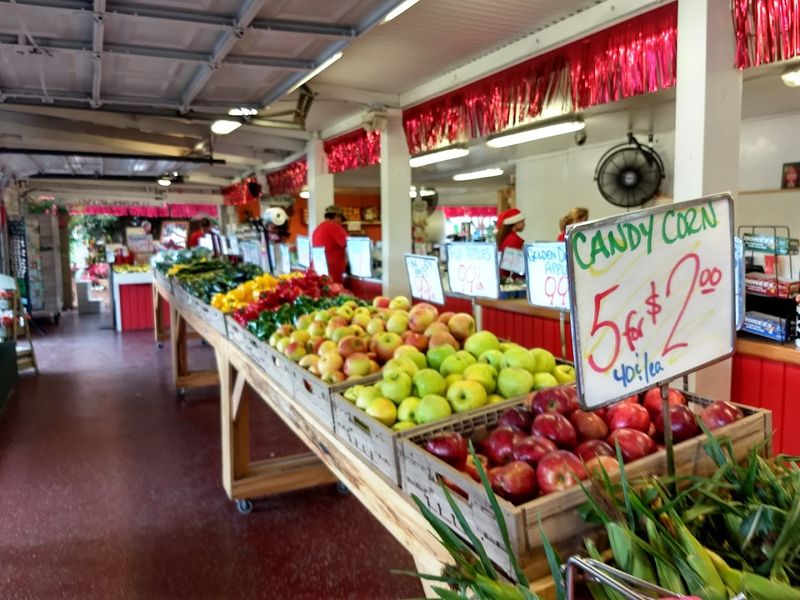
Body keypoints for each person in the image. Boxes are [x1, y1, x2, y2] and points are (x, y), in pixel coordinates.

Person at [311, 205, 347, 284]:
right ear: (337, 216)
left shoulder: (317, 229)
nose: (341, 223)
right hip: (332, 274)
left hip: (319, 271)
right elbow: (350, 245)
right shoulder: (335, 227)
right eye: (341, 219)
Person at [496, 208, 526, 278]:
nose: (525, 224)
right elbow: (515, 266)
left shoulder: (508, 238)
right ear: (515, 223)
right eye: (522, 221)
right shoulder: (513, 240)